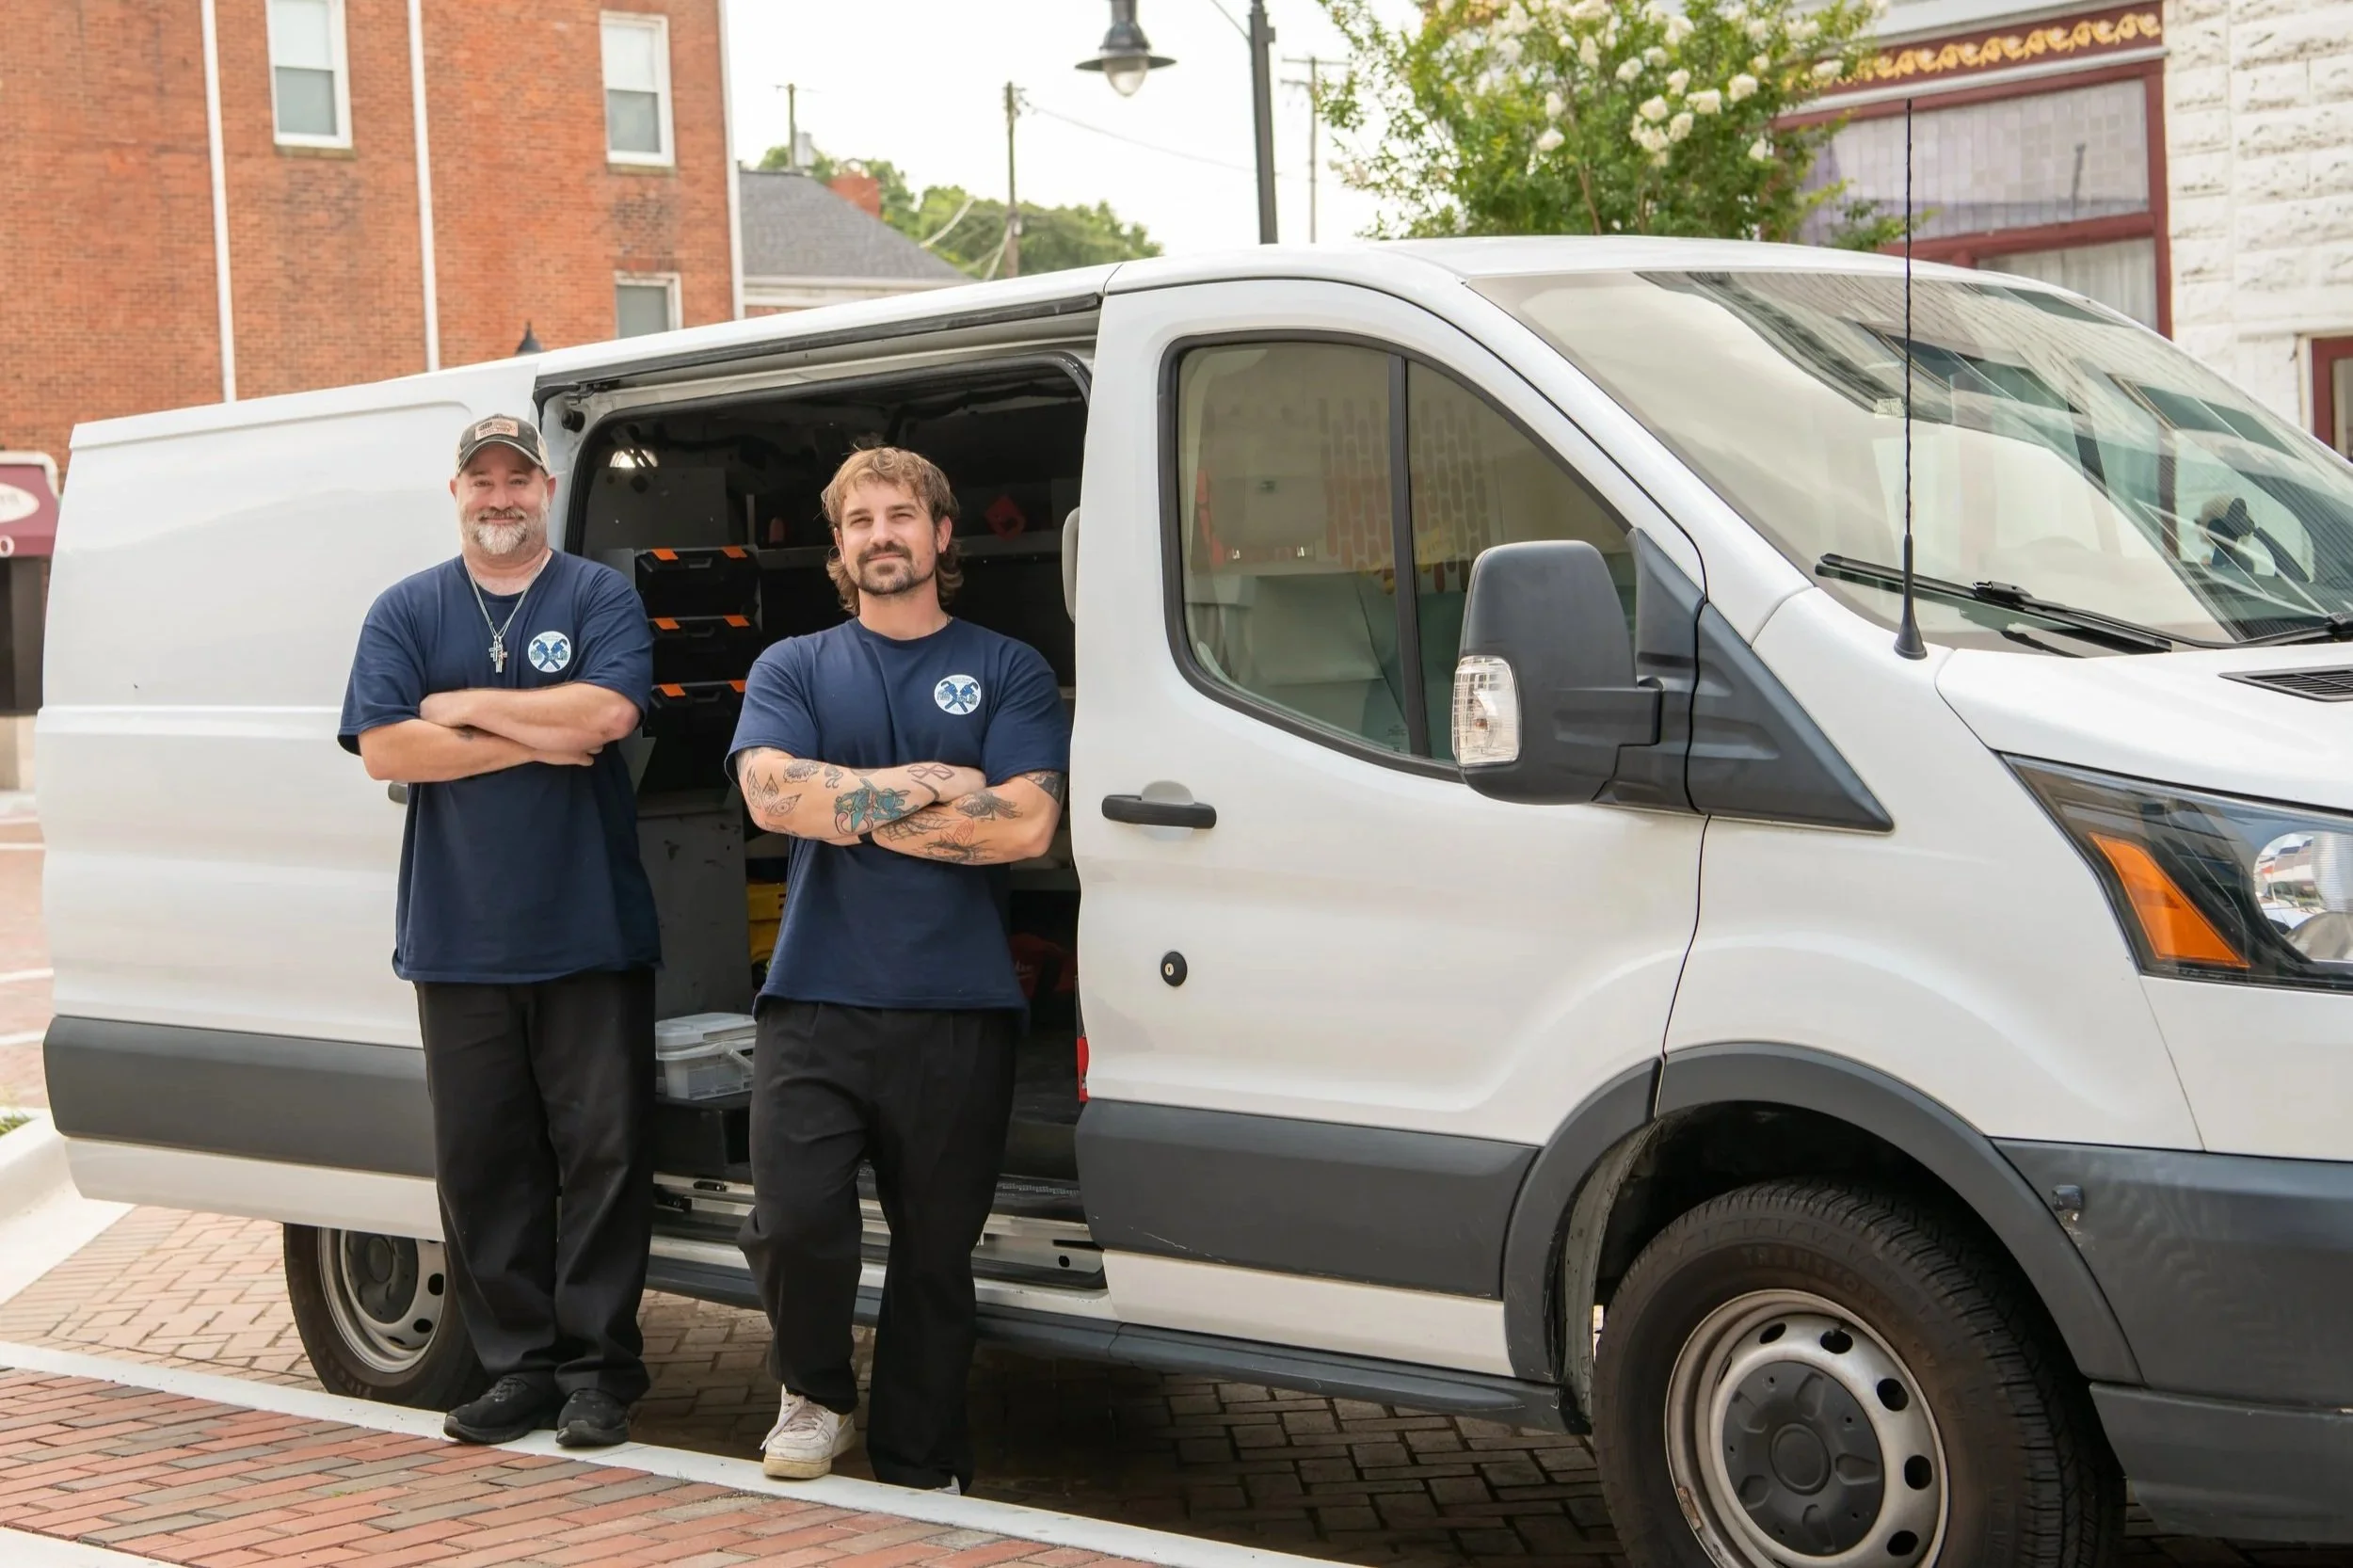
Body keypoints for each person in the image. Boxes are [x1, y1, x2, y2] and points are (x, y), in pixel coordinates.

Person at [727, 445, 1070, 1492]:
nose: (882, 534)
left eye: (901, 515)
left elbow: (1024, 826)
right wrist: (926, 784)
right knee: (790, 1220)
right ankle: (818, 1392)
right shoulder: (794, 665)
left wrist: (854, 809)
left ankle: (922, 1461)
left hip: (956, 1007)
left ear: (941, 534)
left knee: (933, 1256)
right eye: (859, 520)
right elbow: (775, 800)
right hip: (815, 997)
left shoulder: (1007, 665)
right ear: (837, 548)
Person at [339, 414, 661, 1448]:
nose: (500, 497)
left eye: (517, 480)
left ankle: (599, 1374)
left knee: (603, 1158)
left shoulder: (599, 595)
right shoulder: (406, 607)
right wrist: (535, 738)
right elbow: (388, 747)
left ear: (547, 488)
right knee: (484, 1164)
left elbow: (606, 719)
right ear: (456, 493)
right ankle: (518, 1367)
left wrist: (467, 710)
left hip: (590, 934)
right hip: (458, 938)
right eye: (482, 481)